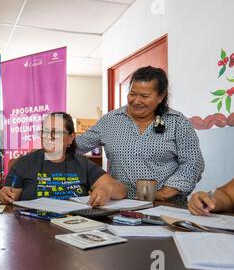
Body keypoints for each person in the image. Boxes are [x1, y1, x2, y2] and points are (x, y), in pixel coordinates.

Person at [76, 66, 205, 201]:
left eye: (144, 96)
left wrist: (164, 193)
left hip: (167, 207)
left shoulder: (178, 122)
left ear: (161, 96)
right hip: (120, 206)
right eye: (132, 94)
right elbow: (75, 147)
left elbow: (193, 162)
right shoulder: (110, 120)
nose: (136, 101)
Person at [0, 112, 127, 206]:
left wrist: (106, 190)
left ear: (71, 137)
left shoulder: (83, 164)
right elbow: (9, 198)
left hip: (73, 229)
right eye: (45, 131)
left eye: (57, 132)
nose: (49, 137)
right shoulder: (24, 163)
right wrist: (5, 195)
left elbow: (121, 189)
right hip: (32, 228)